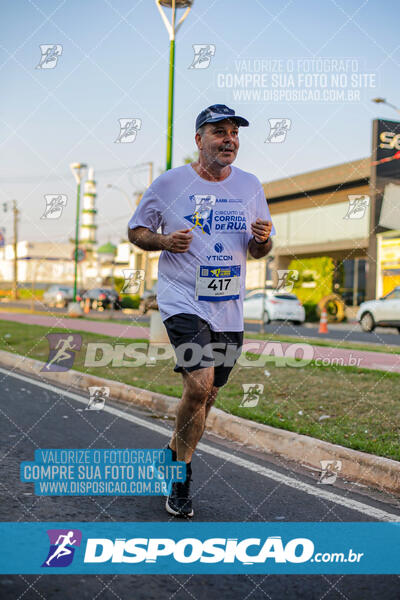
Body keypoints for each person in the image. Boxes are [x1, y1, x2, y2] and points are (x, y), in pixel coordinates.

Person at [128, 104, 275, 517]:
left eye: (234, 133)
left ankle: (172, 453)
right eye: (219, 132)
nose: (229, 139)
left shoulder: (250, 186)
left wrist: (263, 239)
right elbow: (136, 230)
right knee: (198, 385)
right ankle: (180, 478)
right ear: (199, 140)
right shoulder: (170, 183)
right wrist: (163, 242)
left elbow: (259, 249)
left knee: (209, 393)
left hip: (228, 306)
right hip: (181, 300)